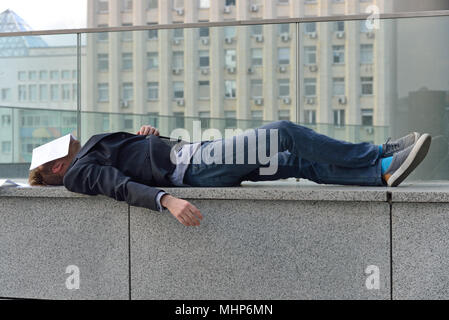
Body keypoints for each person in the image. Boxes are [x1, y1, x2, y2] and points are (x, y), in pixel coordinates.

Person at [29, 120, 432, 227]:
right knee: (284, 134)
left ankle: (378, 174)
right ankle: (378, 151)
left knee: (294, 160)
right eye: (60, 148)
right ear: (57, 167)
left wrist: (146, 139)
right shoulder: (77, 174)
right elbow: (118, 186)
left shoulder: (84, 160)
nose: (70, 139)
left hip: (194, 156)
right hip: (196, 167)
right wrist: (165, 200)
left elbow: (125, 164)